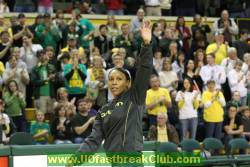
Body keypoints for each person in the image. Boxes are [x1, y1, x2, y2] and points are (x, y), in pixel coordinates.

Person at [75, 21, 152, 157]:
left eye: (119, 79)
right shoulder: (103, 110)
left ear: (128, 83)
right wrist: (76, 158)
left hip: (133, 158)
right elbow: (94, 140)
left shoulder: (135, 96)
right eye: (111, 80)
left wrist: (146, 45)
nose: (114, 83)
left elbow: (144, 70)